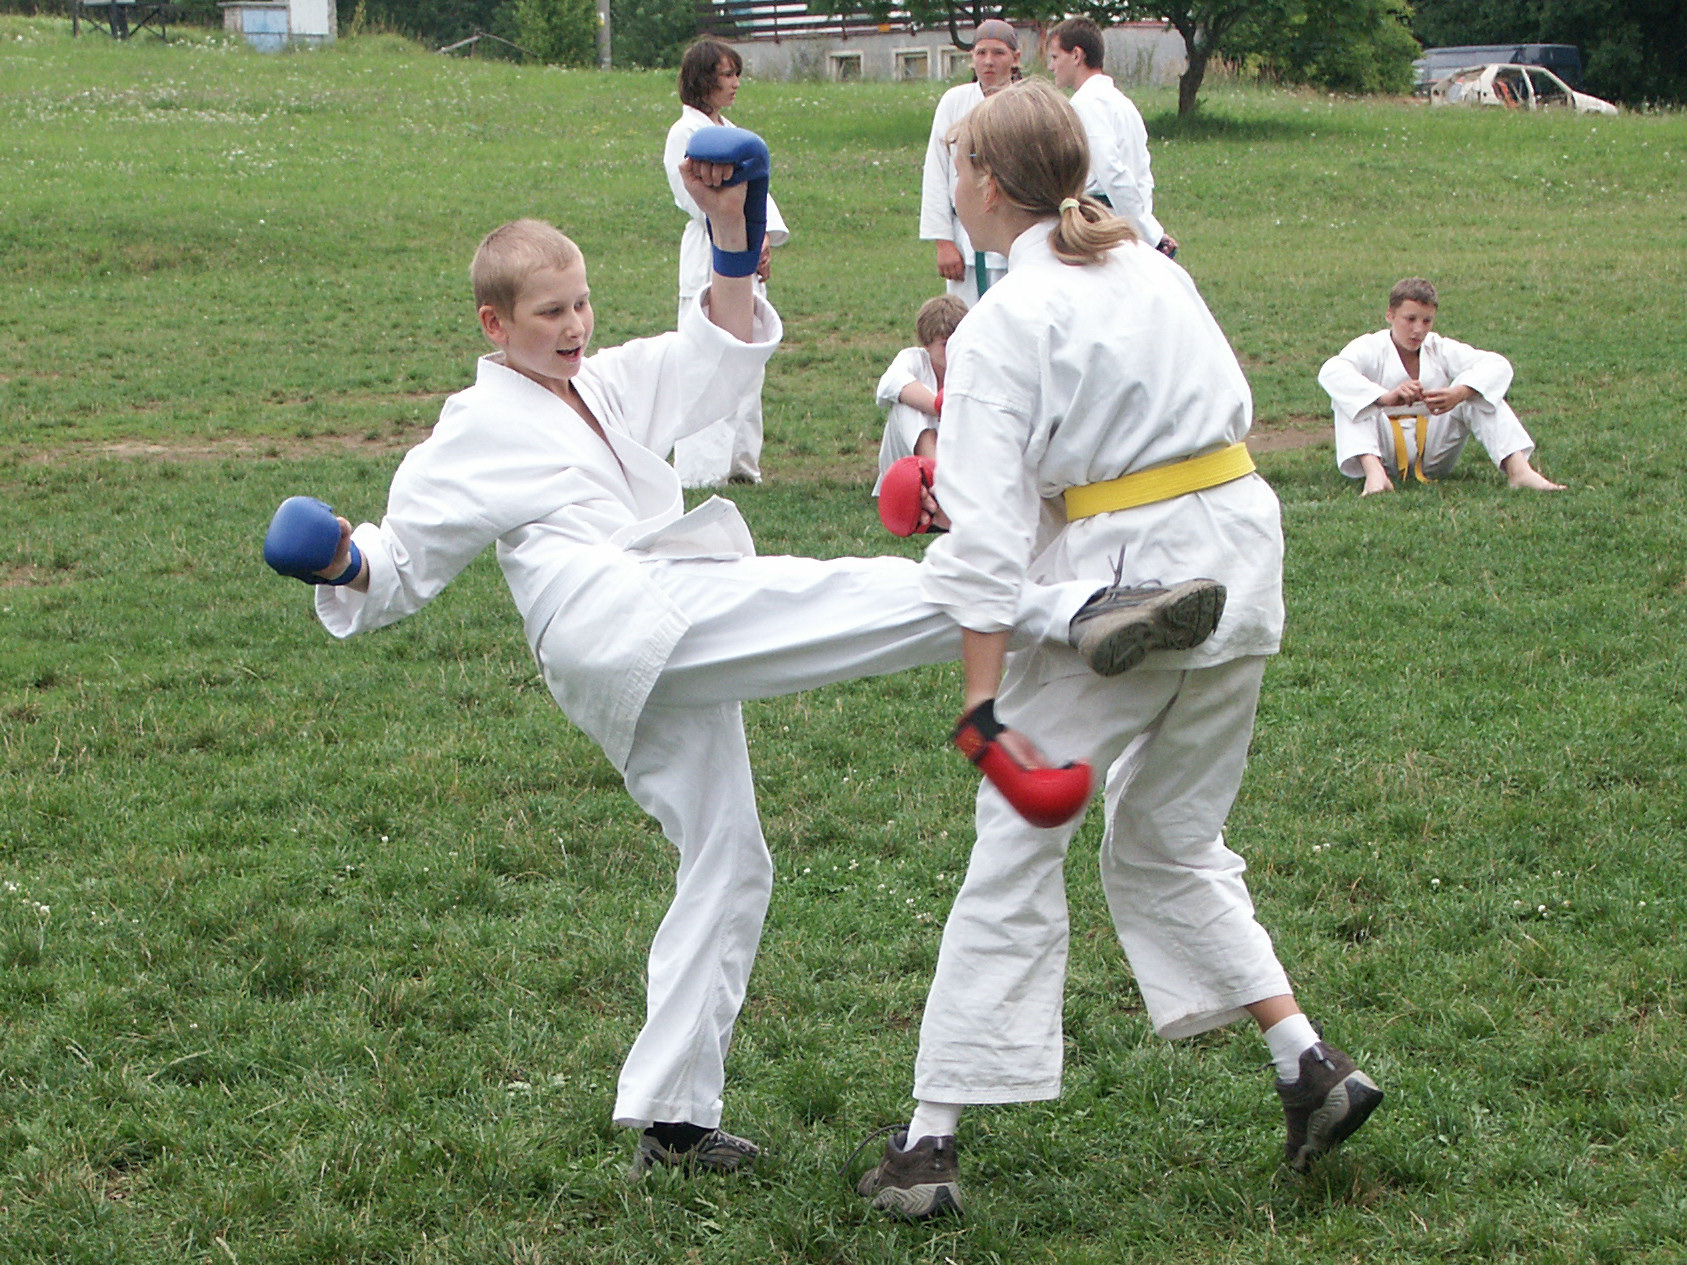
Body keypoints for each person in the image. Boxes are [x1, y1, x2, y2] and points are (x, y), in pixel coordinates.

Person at [268, 152, 1205, 1177]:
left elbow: (712, 357)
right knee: (832, 595)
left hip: (650, 630)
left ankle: (672, 1122)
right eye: (549, 313)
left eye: (580, 302)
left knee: (729, 856)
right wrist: (339, 557)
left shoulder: (603, 383)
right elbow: (401, 560)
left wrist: (728, 229)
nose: (574, 325)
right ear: (495, 324)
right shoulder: (476, 426)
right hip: (615, 611)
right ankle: (1076, 608)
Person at [855, 80, 1383, 1220]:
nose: (952, 184)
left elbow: (985, 547)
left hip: (1131, 577)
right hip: (1238, 559)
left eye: (955, 165)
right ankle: (1306, 1062)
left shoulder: (1002, 321)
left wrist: (983, 701)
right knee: (1167, 840)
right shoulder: (1151, 268)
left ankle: (928, 1145)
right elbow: (1191, 422)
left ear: (984, 181)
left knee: (1013, 848)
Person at [662, 37, 790, 486]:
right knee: (707, 363)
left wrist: (763, 240)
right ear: (703, 80)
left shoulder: (733, 131)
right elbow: (700, 200)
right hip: (710, 251)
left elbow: (758, 191)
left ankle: (741, 464)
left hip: (745, 250)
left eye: (737, 74)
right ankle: (701, 470)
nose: (735, 83)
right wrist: (743, 234)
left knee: (747, 360)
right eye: (726, 74)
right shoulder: (685, 134)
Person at [1318, 277, 1563, 495]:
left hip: (1434, 451)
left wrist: (1459, 393)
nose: (1418, 329)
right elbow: (1331, 371)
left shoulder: (1439, 348)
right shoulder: (1371, 347)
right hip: (1382, 450)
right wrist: (1384, 397)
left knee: (1478, 393)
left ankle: (1519, 471)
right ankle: (1375, 476)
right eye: (1410, 319)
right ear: (1390, 315)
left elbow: (1498, 365)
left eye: (1427, 321)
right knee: (1348, 399)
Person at [1045, 16, 1177, 258]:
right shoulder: (1123, 103)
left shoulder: (1085, 104)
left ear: (1076, 55)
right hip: (1126, 221)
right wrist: (1146, 224)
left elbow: (1111, 171)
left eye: (1055, 57)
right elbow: (1143, 175)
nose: (1051, 67)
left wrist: (1148, 235)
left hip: (1105, 227)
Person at [920, 19, 1022, 305]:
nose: (989, 61)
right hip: (965, 240)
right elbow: (937, 172)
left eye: (998, 53)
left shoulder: (1027, 103)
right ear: (971, 57)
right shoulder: (954, 102)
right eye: (981, 53)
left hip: (1015, 234)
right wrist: (944, 242)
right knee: (965, 320)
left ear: (1015, 58)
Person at [873, 294, 967, 495]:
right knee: (905, 402)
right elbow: (888, 385)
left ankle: (946, 485)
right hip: (903, 468)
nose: (952, 350)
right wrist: (939, 406)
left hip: (960, 462)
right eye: (945, 344)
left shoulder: (972, 366)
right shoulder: (913, 359)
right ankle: (941, 482)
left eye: (958, 341)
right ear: (926, 343)